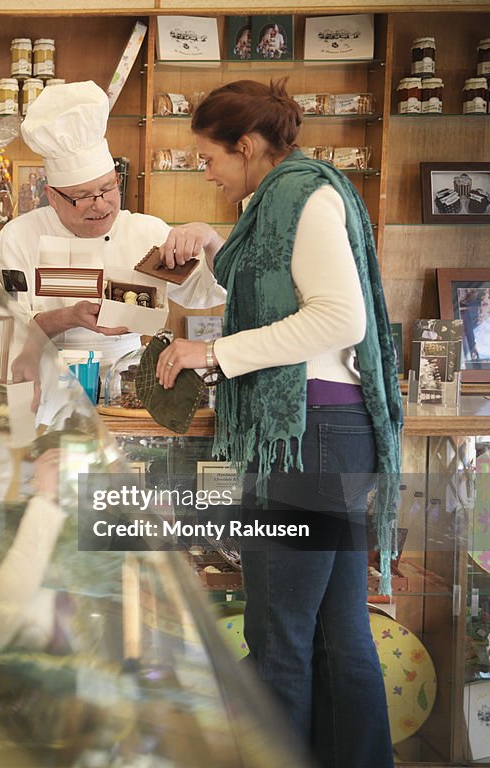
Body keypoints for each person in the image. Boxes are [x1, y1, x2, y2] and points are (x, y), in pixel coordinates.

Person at [153, 79, 402, 768]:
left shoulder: (301, 195)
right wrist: (212, 243)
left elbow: (337, 317)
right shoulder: (282, 199)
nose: (205, 172)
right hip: (328, 432)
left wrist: (215, 352)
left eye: (210, 157)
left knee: (280, 637)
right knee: (336, 630)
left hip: (309, 436)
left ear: (248, 145)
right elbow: (277, 286)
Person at [0, 81, 226, 371]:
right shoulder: (18, 238)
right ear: (51, 196)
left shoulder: (145, 233)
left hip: (127, 375)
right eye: (83, 197)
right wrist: (69, 317)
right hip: (44, 376)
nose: (100, 205)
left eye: (108, 189)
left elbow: (210, 293)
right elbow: (0, 329)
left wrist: (211, 241)